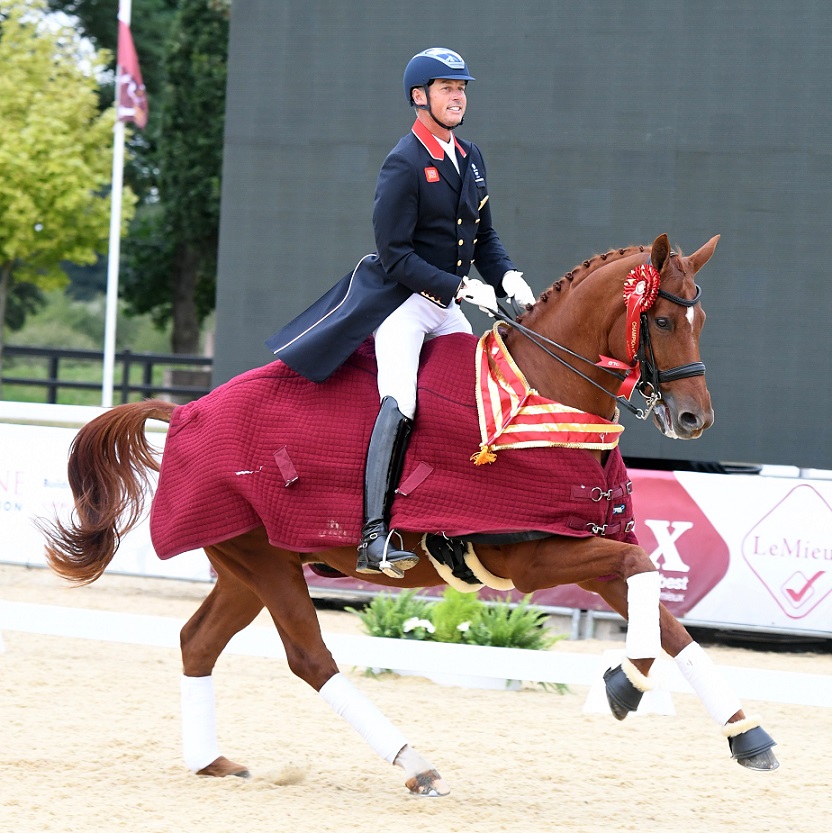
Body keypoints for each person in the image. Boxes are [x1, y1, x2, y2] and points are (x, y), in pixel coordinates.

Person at [265, 47, 535, 578]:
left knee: (475, 399)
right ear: (419, 97)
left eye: (462, 88)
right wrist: (459, 288)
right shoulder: (404, 162)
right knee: (403, 399)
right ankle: (372, 535)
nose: (458, 96)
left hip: (450, 304)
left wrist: (506, 275)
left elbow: (484, 235)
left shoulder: (471, 155)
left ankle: (454, 519)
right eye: (446, 88)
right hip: (404, 305)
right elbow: (395, 256)